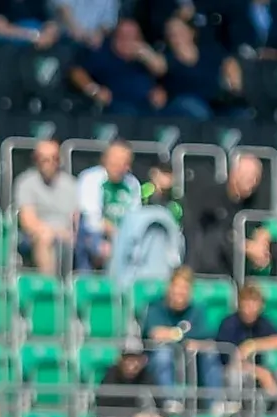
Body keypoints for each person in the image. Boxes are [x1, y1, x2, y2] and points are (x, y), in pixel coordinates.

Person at [182, 153, 267, 280]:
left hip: (241, 272)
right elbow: (218, 234)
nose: (252, 182)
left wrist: (263, 238)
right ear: (234, 174)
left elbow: (266, 224)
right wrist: (248, 247)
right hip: (210, 270)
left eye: (256, 178)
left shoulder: (255, 201)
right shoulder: (210, 198)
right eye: (248, 177)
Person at [142, 265, 221, 396]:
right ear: (169, 287)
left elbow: (208, 336)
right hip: (158, 358)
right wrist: (183, 337)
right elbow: (156, 333)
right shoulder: (156, 306)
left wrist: (173, 335)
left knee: (210, 353)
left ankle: (215, 404)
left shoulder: (197, 309)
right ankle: (170, 402)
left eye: (184, 288)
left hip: (192, 358)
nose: (180, 292)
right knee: (163, 354)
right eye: (177, 287)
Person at [213, 283, 277, 404]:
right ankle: (236, 412)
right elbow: (232, 361)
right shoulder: (229, 324)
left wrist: (254, 344)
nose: (250, 308)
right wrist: (260, 373)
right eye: (246, 303)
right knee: (236, 377)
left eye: (254, 303)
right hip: (233, 370)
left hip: (259, 368)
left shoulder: (263, 322)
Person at [70, 19, 167, 114]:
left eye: (132, 37)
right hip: (115, 107)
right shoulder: (103, 53)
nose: (127, 41)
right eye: (123, 37)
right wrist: (95, 91)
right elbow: (77, 72)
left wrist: (159, 91)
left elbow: (161, 71)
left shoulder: (145, 55)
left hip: (147, 106)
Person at [14, 138, 78, 274]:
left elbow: (76, 218)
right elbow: (28, 221)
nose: (49, 163)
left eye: (54, 158)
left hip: (67, 235)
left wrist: (73, 234)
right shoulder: (26, 182)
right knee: (45, 237)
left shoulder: (71, 184)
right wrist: (53, 232)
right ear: (36, 160)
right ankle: (50, 288)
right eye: (44, 159)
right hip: (36, 235)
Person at [75, 140, 138, 272]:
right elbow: (91, 220)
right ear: (105, 159)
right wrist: (117, 234)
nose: (119, 165)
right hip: (93, 234)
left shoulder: (132, 184)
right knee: (104, 247)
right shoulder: (90, 178)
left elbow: (136, 217)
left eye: (124, 161)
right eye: (115, 160)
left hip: (125, 236)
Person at [89, 338, 164, 417]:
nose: (132, 364)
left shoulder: (147, 375)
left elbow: (161, 403)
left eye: (136, 359)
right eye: (128, 358)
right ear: (120, 360)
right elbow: (104, 413)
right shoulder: (110, 377)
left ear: (143, 360)